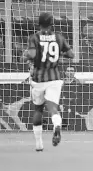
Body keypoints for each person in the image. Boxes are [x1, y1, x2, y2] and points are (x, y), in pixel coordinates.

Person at [22, 12, 74, 151]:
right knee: (52, 107)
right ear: (52, 23)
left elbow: (32, 55)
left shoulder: (34, 37)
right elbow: (71, 54)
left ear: (38, 23)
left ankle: (39, 144)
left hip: (39, 79)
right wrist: (58, 54)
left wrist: (25, 55)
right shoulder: (59, 37)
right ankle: (56, 125)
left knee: (38, 109)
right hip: (55, 78)